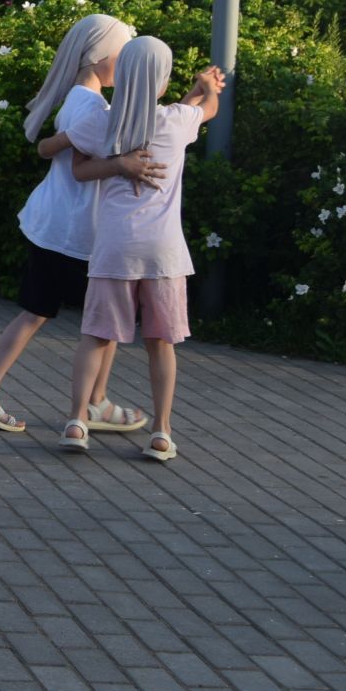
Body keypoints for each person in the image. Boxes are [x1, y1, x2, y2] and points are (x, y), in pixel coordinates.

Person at [0, 15, 161, 434]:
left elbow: (53, 150)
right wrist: (123, 165)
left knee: (37, 312)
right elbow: (81, 167)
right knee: (109, 320)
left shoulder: (79, 99)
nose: (126, 65)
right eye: (122, 54)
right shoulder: (93, 107)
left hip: (57, 224)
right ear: (101, 56)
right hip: (76, 232)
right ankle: (94, 402)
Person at [58, 44, 223, 461]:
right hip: (163, 254)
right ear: (162, 80)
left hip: (115, 248)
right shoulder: (176, 121)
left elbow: (78, 169)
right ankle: (161, 432)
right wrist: (206, 87)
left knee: (95, 336)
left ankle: (77, 421)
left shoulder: (100, 120)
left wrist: (116, 163)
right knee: (160, 344)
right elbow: (209, 111)